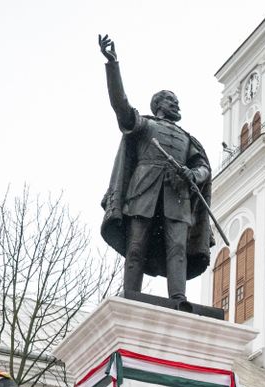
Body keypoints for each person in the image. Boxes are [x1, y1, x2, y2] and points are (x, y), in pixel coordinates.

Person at [97, 34, 213, 311]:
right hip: (143, 193)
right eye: (172, 101)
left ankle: (178, 298)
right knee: (136, 247)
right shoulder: (143, 125)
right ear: (159, 104)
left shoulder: (189, 139)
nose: (177, 105)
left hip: (178, 197)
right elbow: (120, 106)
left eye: (176, 101)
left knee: (178, 249)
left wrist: (192, 175)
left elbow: (204, 168)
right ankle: (131, 296)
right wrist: (113, 66)